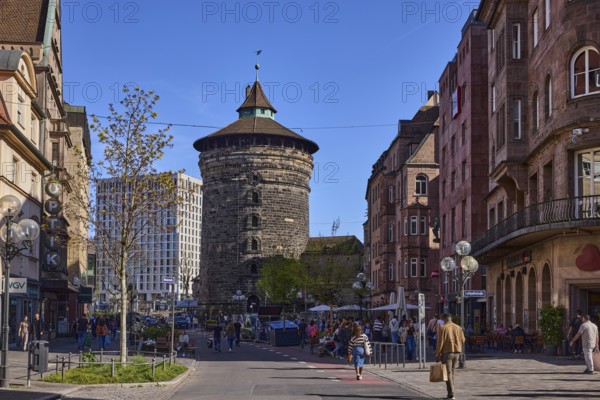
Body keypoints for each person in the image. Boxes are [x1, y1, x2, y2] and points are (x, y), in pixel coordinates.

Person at [435, 313, 465, 400]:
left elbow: (440, 342)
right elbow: (463, 340)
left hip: (447, 353)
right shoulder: (458, 327)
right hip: (457, 353)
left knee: (448, 373)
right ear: (450, 319)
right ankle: (451, 393)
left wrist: (437, 353)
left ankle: (451, 394)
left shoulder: (443, 328)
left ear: (444, 319)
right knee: (452, 373)